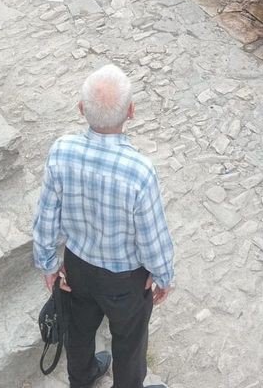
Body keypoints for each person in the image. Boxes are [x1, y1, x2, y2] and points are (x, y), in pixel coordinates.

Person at [33, 64, 173, 388]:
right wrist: (163, 275)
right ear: (131, 112)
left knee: (79, 330)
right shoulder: (140, 171)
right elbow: (152, 238)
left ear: (81, 109)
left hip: (77, 267)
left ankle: (82, 379)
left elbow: (46, 217)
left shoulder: (61, 151)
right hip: (126, 280)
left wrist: (49, 265)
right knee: (129, 341)